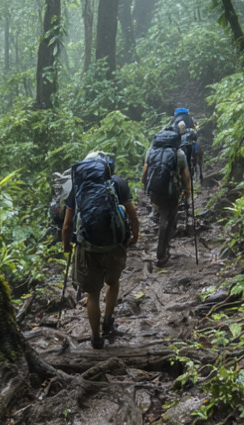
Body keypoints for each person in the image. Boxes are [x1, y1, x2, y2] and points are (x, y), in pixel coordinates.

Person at [62, 151, 140, 349]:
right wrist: (135, 235)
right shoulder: (118, 183)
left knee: (93, 294)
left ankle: (96, 338)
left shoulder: (78, 188)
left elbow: (67, 225)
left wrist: (66, 246)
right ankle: (108, 320)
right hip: (115, 245)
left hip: (87, 249)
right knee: (112, 283)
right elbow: (132, 214)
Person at [142, 126, 191, 266]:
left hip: (155, 191)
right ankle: (162, 252)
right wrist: (187, 191)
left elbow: (144, 173)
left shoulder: (151, 151)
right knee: (170, 216)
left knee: (160, 209)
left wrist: (146, 187)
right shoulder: (179, 154)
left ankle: (157, 215)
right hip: (171, 192)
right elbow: (185, 176)